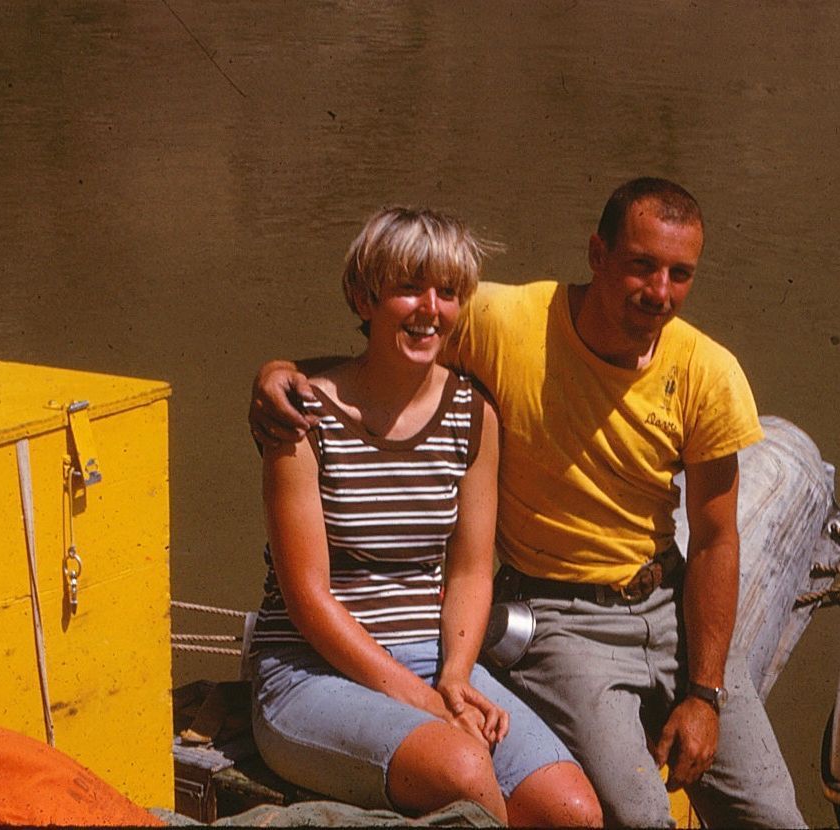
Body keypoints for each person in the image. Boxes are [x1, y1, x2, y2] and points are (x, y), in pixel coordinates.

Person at [250, 180, 806, 829]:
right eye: (639, 265)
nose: (658, 292)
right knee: (618, 811)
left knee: (754, 816)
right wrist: (274, 371)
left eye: (678, 274)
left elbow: (714, 539)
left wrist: (704, 694)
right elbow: (381, 360)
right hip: (549, 622)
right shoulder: (496, 327)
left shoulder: (703, 373)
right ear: (597, 254)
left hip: (652, 605)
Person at [246, 206, 602, 827]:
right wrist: (426, 704)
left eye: (448, 293)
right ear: (364, 298)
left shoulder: (473, 416)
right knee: (463, 772)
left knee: (572, 812)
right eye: (409, 288)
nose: (430, 309)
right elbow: (307, 597)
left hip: (433, 661)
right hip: (311, 672)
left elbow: (469, 573)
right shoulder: (300, 415)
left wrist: (457, 680)